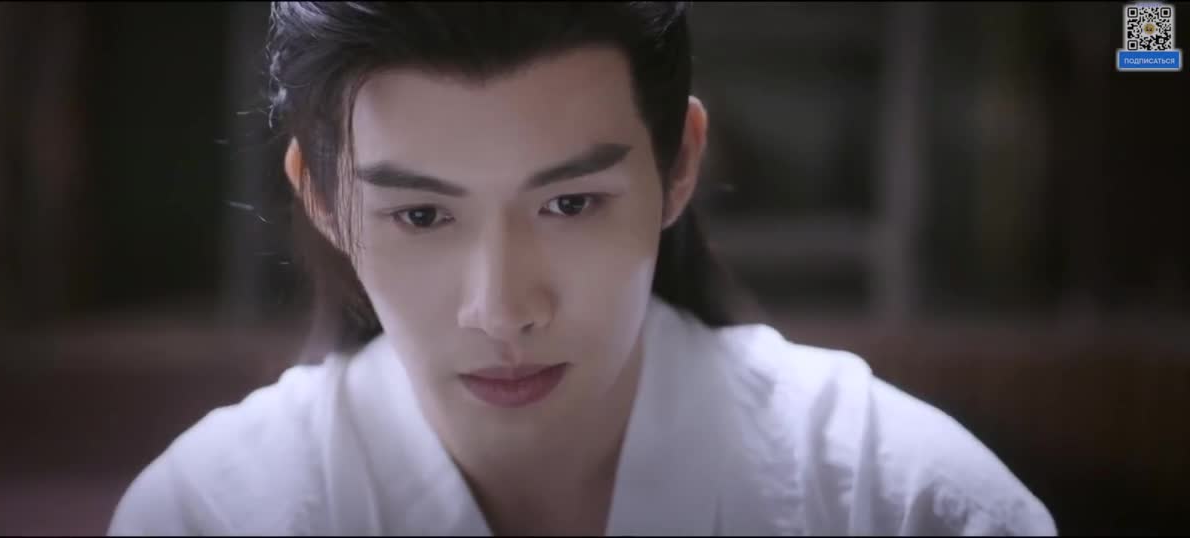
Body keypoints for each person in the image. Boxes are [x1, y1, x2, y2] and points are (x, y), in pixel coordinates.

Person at [108, 3, 1056, 535]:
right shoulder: (212, 515)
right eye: (422, 215)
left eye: (570, 204)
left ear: (679, 164)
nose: (501, 309)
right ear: (321, 200)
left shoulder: (901, 503)